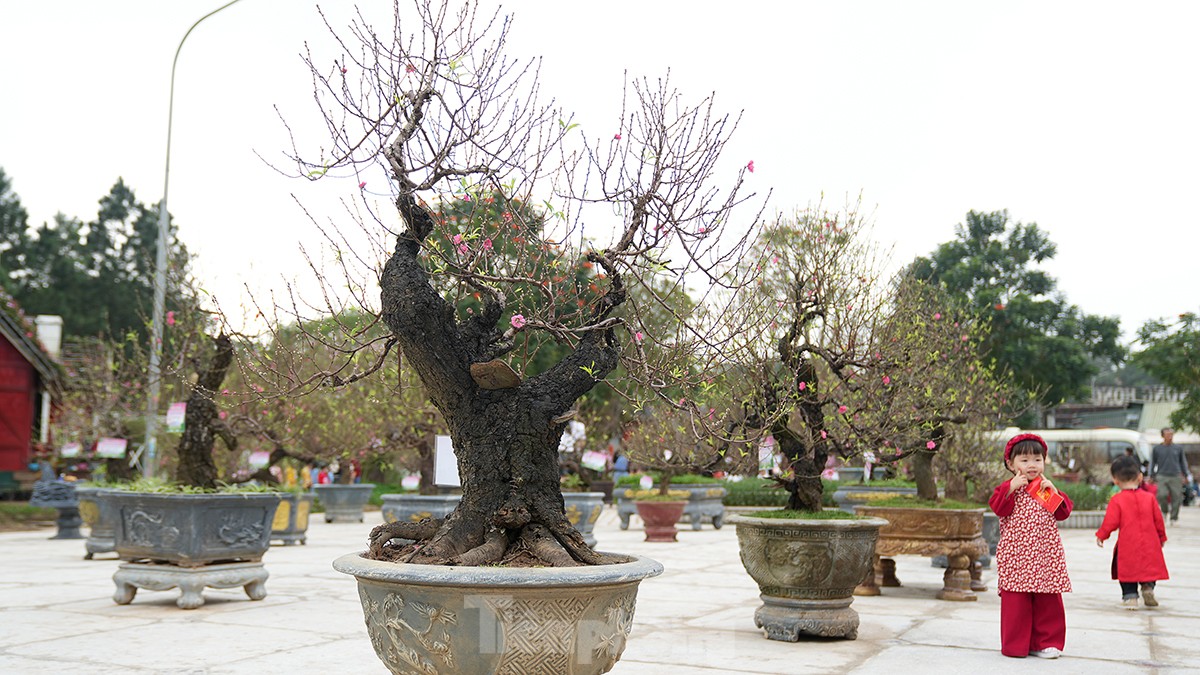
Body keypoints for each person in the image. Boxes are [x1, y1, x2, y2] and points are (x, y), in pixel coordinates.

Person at [989, 433, 1074, 659]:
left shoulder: (1044, 488)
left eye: (1037, 459)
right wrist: (1010, 487)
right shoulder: (1008, 488)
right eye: (1024, 460)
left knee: (1048, 599)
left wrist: (1055, 493)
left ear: (1044, 461)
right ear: (1010, 463)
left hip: (1045, 554)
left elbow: (1063, 513)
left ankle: (1048, 642)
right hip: (1016, 555)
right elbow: (998, 508)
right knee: (1016, 601)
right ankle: (1016, 646)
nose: (1032, 465)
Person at [1095, 455, 1168, 610]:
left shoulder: (1117, 500)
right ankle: (1148, 588)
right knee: (1149, 568)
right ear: (1140, 477)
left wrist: (1102, 535)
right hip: (1150, 542)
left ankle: (1130, 597)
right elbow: (1158, 520)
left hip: (1128, 543)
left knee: (1127, 571)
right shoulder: (1149, 498)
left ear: (1115, 480)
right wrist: (1161, 537)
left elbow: (1111, 522)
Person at [1149, 428, 1190, 525]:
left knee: (1177, 497)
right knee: (1162, 495)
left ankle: (1174, 518)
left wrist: (1186, 475)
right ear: (1162, 436)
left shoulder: (1178, 448)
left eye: (1171, 435)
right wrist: (1151, 475)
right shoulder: (1157, 449)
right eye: (1168, 435)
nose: (1170, 437)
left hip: (1176, 475)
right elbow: (1152, 462)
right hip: (1162, 475)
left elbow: (1183, 462)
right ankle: (1164, 511)